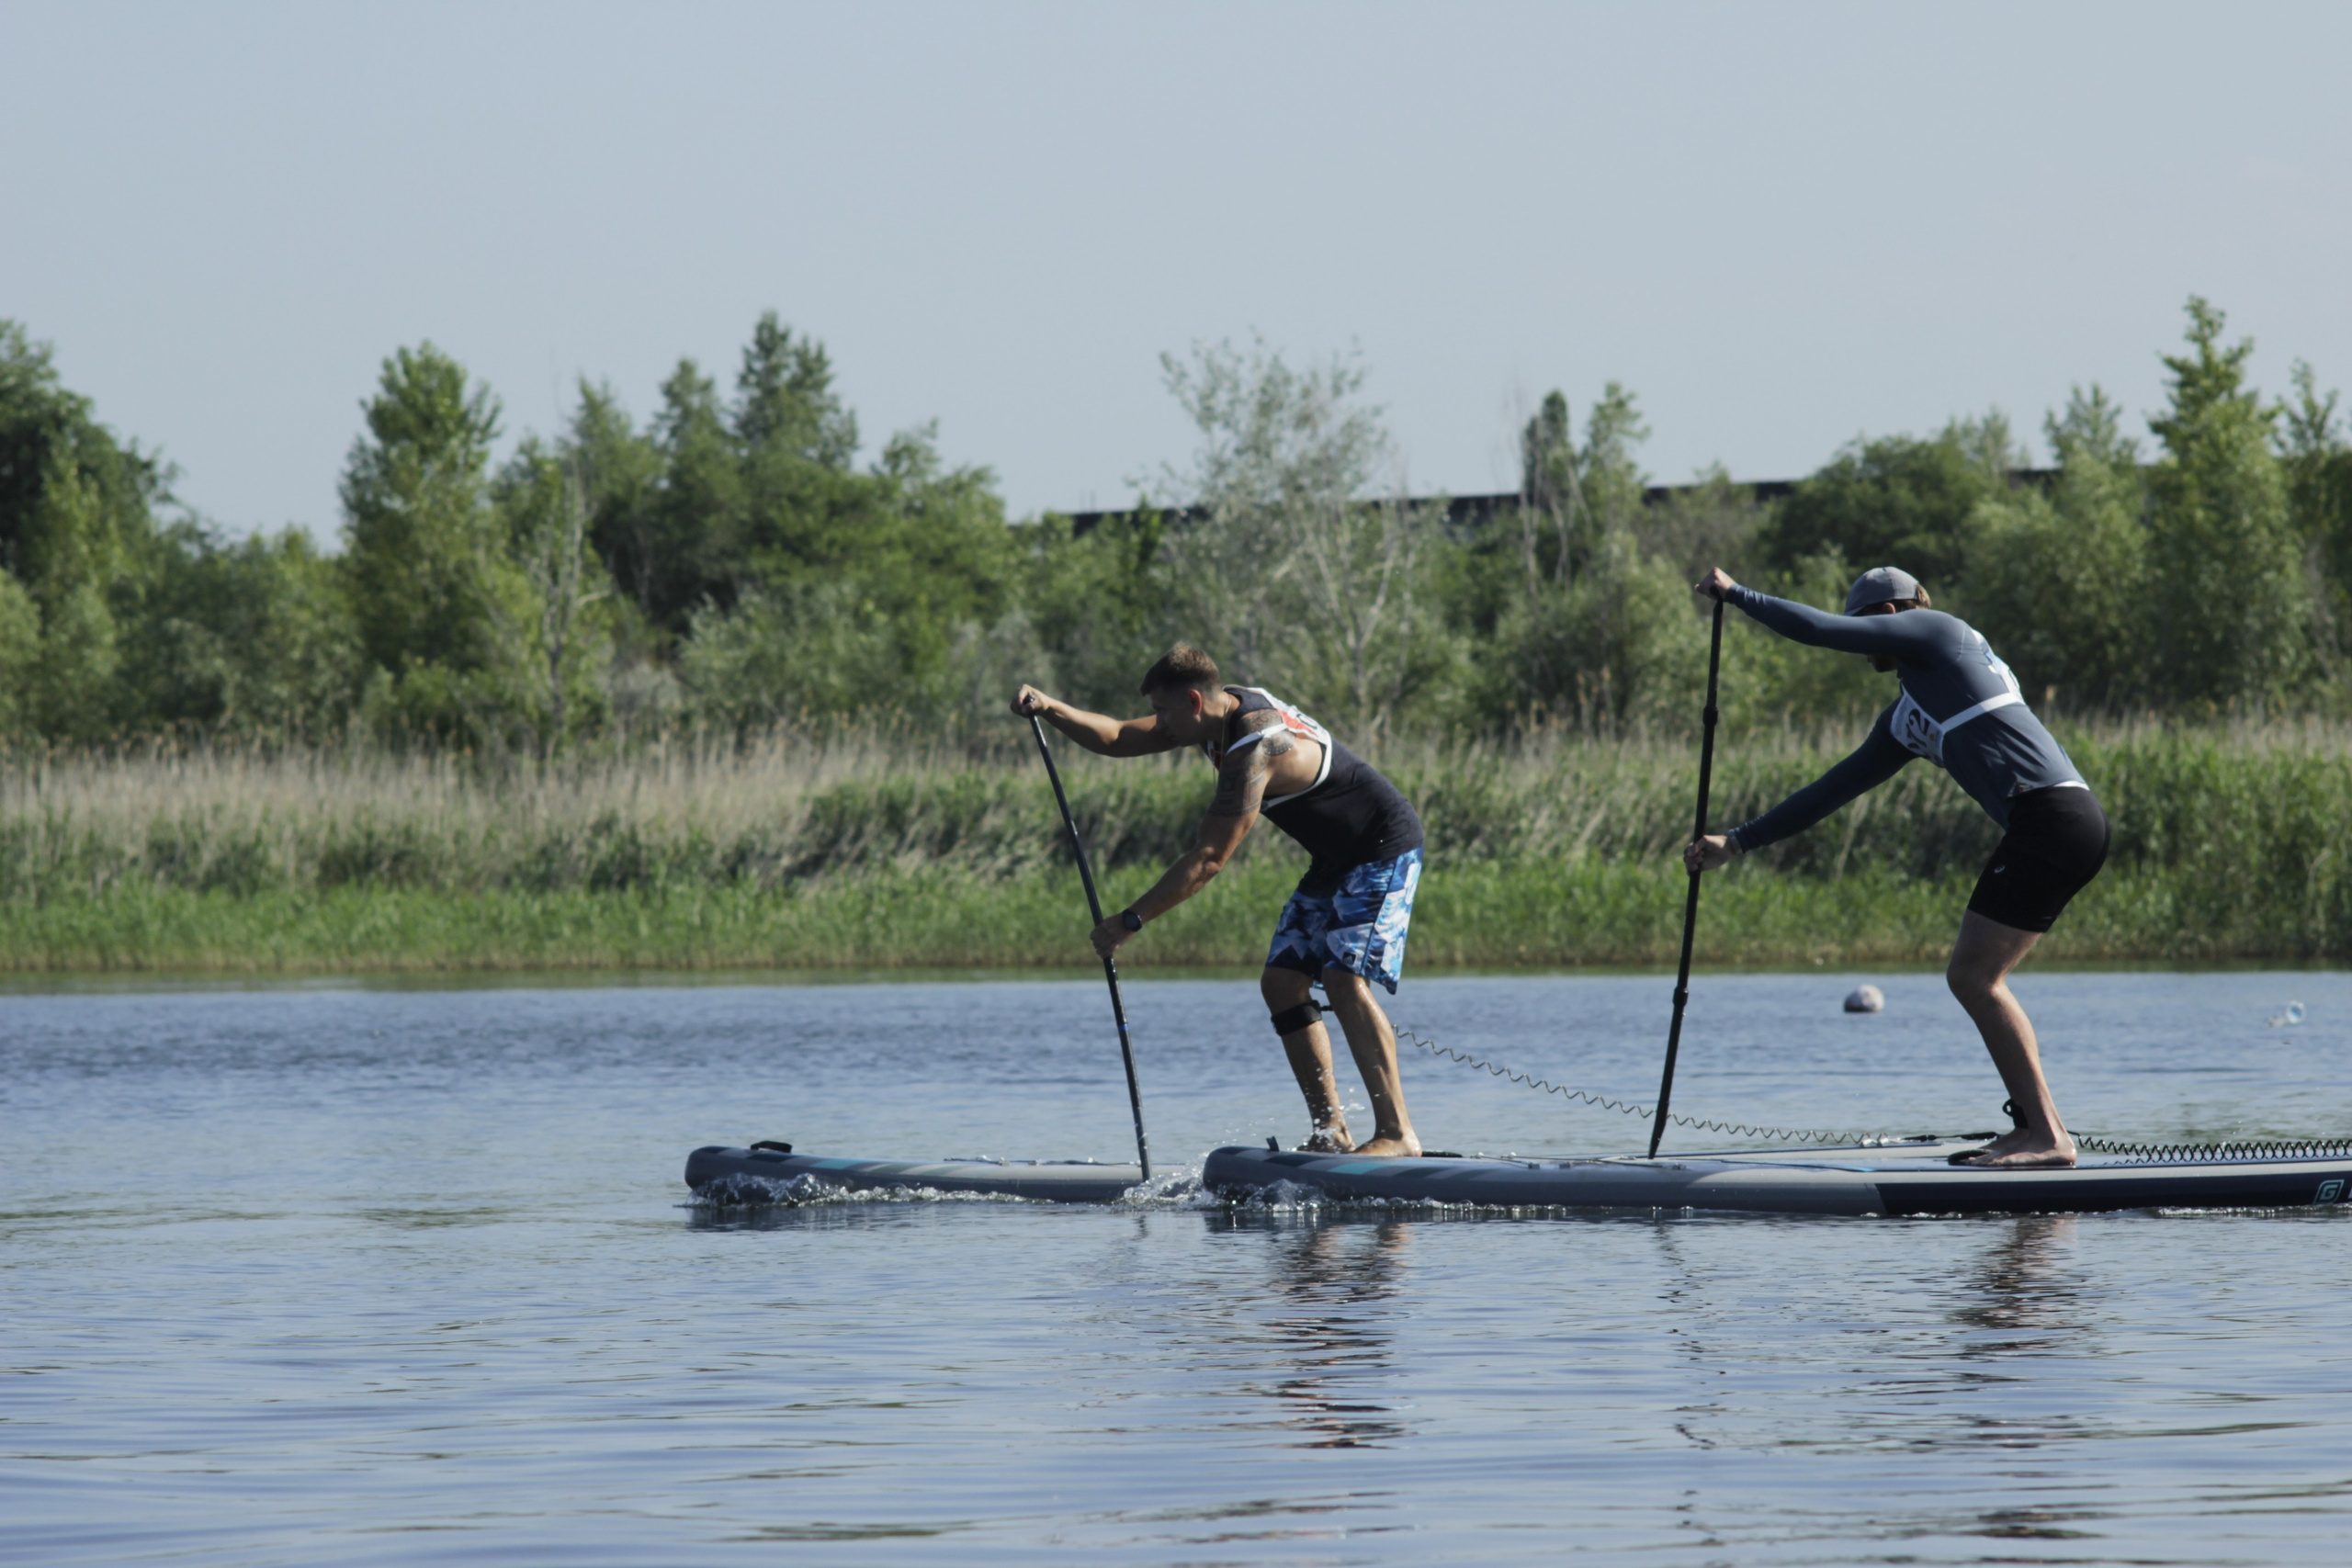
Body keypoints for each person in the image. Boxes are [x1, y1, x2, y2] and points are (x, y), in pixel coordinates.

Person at [1685, 565, 2109, 1168]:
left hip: (2056, 816)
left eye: (1866, 628)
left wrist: (1737, 595)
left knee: (1974, 978)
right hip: (2052, 825)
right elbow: (1833, 788)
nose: (1863, 645)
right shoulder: (1909, 714)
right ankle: (2042, 1130)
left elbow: (1820, 630)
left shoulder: (1938, 633)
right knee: (1977, 977)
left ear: (1891, 614)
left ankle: (2046, 1135)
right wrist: (1738, 841)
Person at [1012, 645, 1427, 1156]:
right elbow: (1119, 737)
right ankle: (1332, 1132)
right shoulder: (1212, 716)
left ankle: (1397, 1134)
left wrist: (1130, 921)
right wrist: (1051, 707)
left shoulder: (1256, 747)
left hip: (1381, 847)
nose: (1159, 724)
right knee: (1281, 984)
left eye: (1163, 712)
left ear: (1192, 701)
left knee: (1343, 979)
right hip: (1332, 860)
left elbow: (1209, 858)